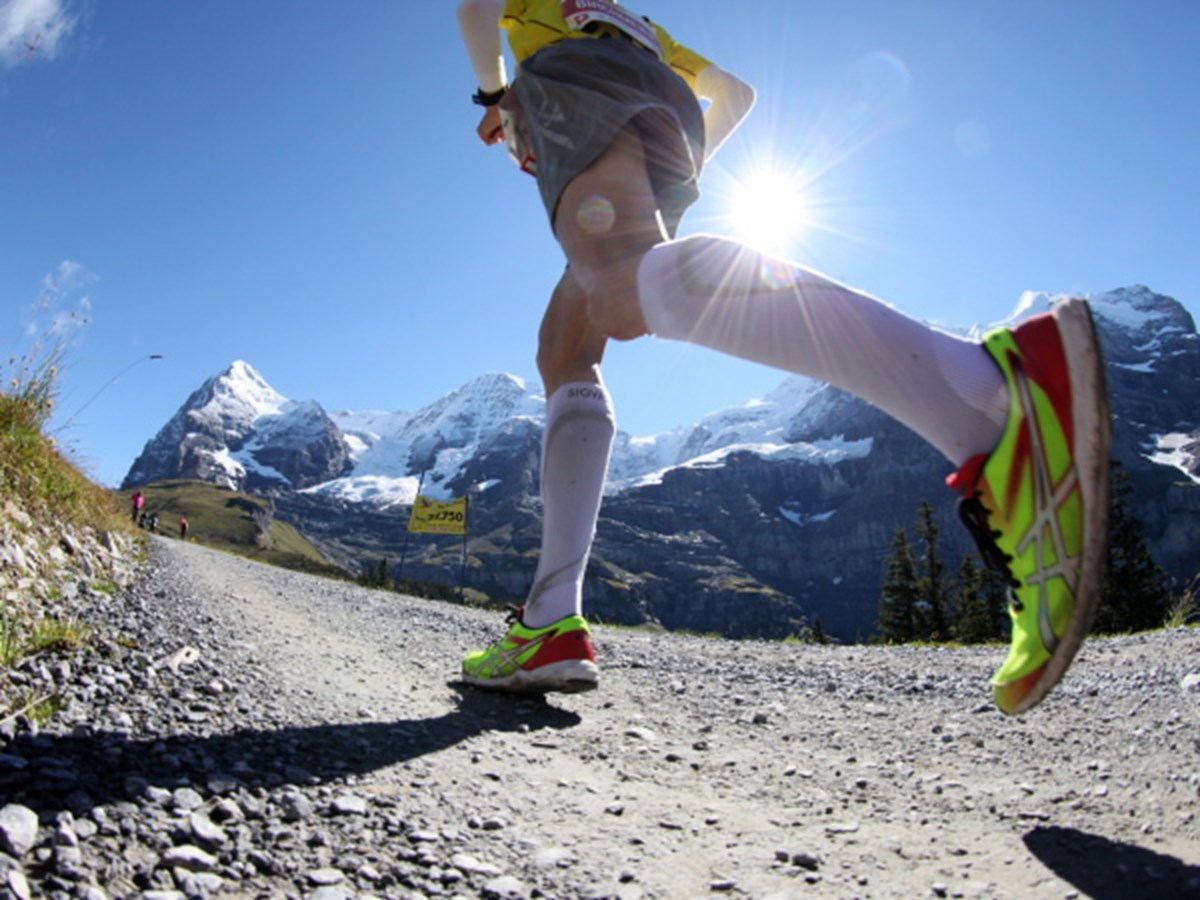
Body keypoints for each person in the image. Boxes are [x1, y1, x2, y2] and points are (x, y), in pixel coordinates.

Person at [455, 0, 1110, 715]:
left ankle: (991, 402)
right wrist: (672, 153)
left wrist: (498, 97)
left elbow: (476, 6)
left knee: (619, 289)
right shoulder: (641, 27)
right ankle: (550, 620)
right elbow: (735, 94)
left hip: (573, 88)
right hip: (669, 113)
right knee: (567, 344)